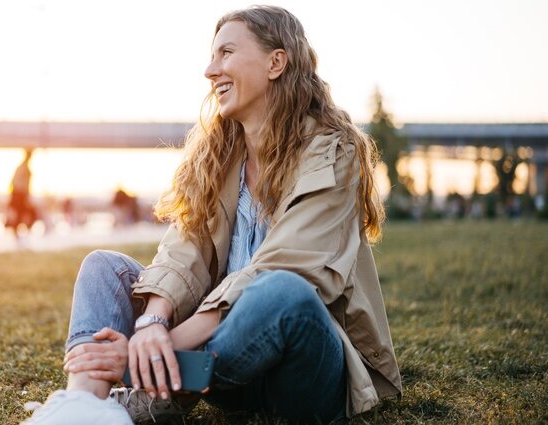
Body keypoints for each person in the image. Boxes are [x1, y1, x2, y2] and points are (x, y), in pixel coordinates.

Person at [24, 5, 401, 424]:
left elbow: (288, 267)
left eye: (226, 53)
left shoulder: (333, 152)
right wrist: (151, 321)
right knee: (103, 269)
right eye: (212, 56)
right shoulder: (219, 155)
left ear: (276, 62)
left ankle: (141, 376)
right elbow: (182, 248)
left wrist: (140, 351)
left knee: (280, 290)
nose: (210, 69)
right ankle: (85, 407)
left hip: (298, 362)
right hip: (217, 357)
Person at [6, 148, 38, 240]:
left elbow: (13, 182)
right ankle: (18, 235)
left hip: (19, 194)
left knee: (21, 214)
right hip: (19, 195)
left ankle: (21, 235)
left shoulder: (23, 168)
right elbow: (16, 183)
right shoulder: (23, 168)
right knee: (20, 214)